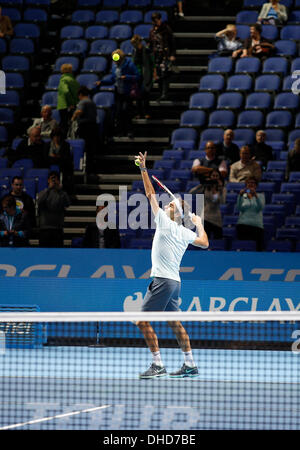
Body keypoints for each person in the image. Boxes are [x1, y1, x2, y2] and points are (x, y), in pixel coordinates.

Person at [134, 151, 209, 379]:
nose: (166, 206)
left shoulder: (165, 223)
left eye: (170, 206)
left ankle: (157, 364)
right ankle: (190, 364)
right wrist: (198, 223)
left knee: (141, 321)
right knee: (174, 321)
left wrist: (143, 169)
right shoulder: (186, 231)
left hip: (163, 281)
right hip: (175, 282)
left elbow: (149, 193)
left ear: (175, 212)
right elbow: (205, 243)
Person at [97, 49, 140, 137]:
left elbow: (137, 76)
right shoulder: (114, 67)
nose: (114, 61)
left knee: (126, 111)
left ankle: (129, 131)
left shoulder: (129, 64)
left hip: (127, 91)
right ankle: (120, 131)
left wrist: (126, 77)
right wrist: (102, 82)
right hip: (118, 91)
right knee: (118, 112)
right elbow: (113, 79)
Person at [37, 171, 71, 248]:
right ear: (48, 180)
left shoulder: (62, 193)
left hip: (57, 228)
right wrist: (49, 189)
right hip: (45, 228)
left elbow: (67, 203)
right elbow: (39, 201)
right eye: (52, 179)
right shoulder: (43, 192)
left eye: (55, 179)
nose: (54, 181)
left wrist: (59, 190)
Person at [190, 169, 226, 239]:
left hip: (217, 218)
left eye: (217, 176)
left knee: (217, 241)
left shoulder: (222, 189)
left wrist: (220, 188)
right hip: (206, 217)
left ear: (219, 178)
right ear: (210, 177)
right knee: (205, 240)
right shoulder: (205, 187)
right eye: (213, 176)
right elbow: (191, 192)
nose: (215, 177)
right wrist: (202, 184)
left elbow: (222, 201)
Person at [149, 12, 176, 101]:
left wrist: (172, 54)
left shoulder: (166, 29)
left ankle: (165, 93)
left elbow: (172, 42)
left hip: (165, 55)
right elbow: (151, 43)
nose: (155, 22)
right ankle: (161, 93)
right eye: (154, 21)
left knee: (165, 74)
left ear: (160, 20)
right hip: (156, 55)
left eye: (156, 20)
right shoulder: (152, 31)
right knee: (159, 75)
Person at [71, 86, 98, 174]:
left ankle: (86, 168)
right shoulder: (92, 102)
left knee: (85, 147)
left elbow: (79, 111)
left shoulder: (83, 102)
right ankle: (91, 167)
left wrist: (73, 117)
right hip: (93, 127)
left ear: (80, 94)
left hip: (85, 127)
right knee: (91, 148)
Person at [236, 177, 265, 251]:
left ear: (256, 185)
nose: (251, 184)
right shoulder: (244, 196)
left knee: (258, 249)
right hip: (243, 224)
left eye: (253, 183)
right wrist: (240, 196)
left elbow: (260, 208)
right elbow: (239, 208)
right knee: (243, 248)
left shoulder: (261, 196)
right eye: (249, 183)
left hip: (257, 226)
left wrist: (256, 196)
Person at [45, 127, 74, 194]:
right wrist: (57, 157)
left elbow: (66, 158)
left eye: (58, 136)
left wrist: (54, 157)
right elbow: (45, 158)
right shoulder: (47, 145)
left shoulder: (65, 145)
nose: (56, 138)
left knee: (67, 169)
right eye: (54, 136)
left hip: (63, 166)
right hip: (49, 165)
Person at [131, 34, 154, 119]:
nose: (135, 46)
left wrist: (153, 74)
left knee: (146, 95)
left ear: (139, 42)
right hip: (137, 74)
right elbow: (133, 62)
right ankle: (139, 113)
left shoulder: (147, 50)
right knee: (138, 96)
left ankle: (147, 112)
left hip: (146, 74)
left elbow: (152, 63)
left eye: (136, 44)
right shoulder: (134, 50)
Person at [57, 63, 80, 137]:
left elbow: (66, 91)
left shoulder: (63, 80)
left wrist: (70, 103)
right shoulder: (74, 80)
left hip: (65, 106)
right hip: (73, 105)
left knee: (64, 126)